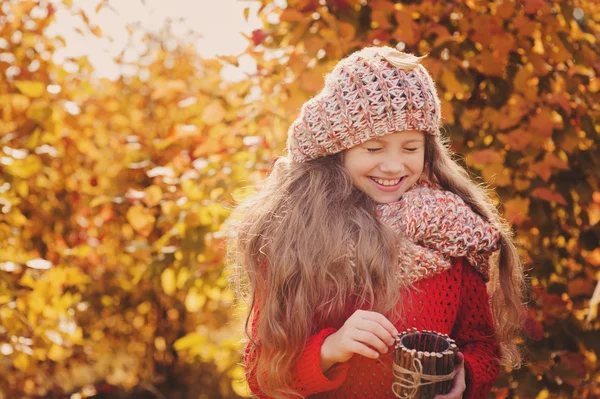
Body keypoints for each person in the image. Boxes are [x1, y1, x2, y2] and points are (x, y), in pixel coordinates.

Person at [227, 45, 525, 399]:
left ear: (428, 149)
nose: (393, 166)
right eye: (374, 148)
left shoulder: (455, 231)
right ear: (339, 149)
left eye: (410, 148)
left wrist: (467, 376)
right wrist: (331, 349)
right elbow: (261, 372)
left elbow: (482, 344)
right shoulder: (302, 235)